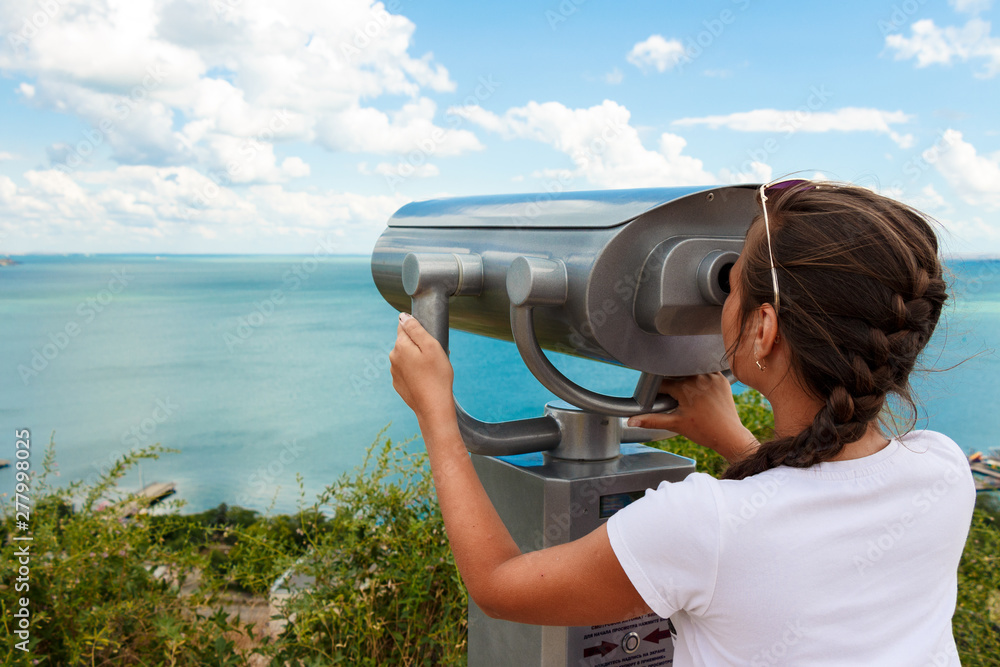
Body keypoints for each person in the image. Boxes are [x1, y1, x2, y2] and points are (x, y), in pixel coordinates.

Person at [389, 180, 976, 665]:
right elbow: (807, 520)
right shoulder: (943, 471)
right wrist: (729, 439)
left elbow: (499, 585)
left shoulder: (700, 527)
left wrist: (437, 414)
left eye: (732, 282)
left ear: (764, 329)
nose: (720, 301)